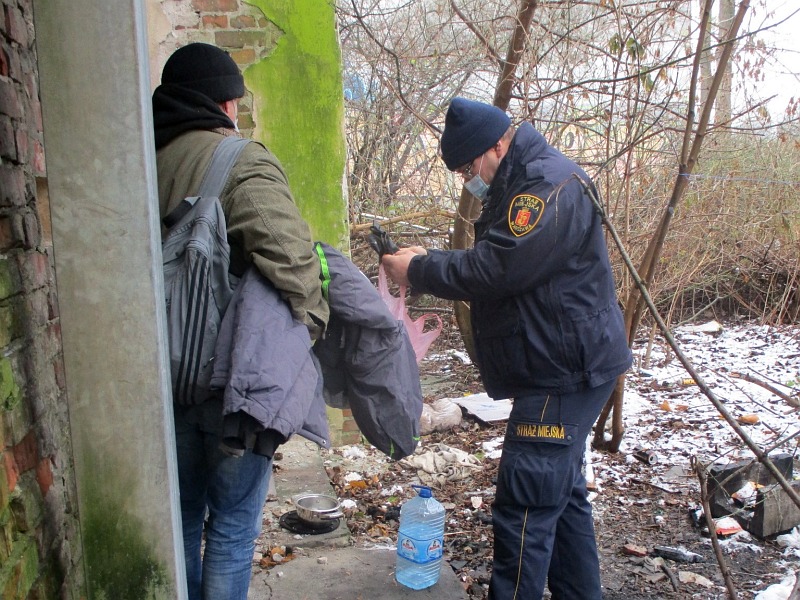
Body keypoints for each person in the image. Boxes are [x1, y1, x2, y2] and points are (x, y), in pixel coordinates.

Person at [381, 97, 632, 599]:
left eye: (469, 166)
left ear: (498, 144)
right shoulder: (521, 179)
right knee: (560, 497)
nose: (468, 179)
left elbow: (497, 268)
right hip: (562, 362)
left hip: (561, 373)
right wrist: (427, 258)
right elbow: (498, 259)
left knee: (524, 507)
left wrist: (421, 268)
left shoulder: (543, 186)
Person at [151, 43, 329, 600]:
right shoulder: (236, 159)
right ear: (226, 102)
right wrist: (312, 326)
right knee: (229, 529)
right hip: (229, 384)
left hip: (160, 378)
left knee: (180, 524)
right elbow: (290, 258)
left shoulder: (137, 159)